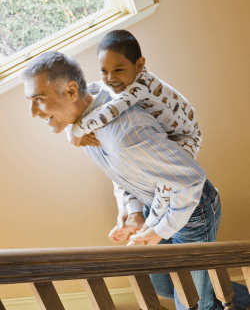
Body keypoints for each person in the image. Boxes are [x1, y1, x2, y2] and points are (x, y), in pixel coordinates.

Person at [21, 50, 250, 310]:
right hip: (158, 204)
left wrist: (158, 231)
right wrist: (133, 215)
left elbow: (190, 180)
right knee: (163, 285)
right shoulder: (87, 122)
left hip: (191, 209)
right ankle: (238, 301)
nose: (33, 111)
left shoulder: (125, 134)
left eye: (38, 99)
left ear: (71, 91)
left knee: (192, 307)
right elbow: (125, 174)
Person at [66, 29, 202, 235]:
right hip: (163, 138)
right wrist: (69, 124)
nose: (110, 78)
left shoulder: (141, 85)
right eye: (104, 71)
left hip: (184, 138)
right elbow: (91, 91)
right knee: (128, 166)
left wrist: (75, 132)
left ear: (139, 65)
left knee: (168, 183)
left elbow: (111, 110)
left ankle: (151, 225)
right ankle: (139, 219)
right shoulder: (120, 85)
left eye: (118, 70)